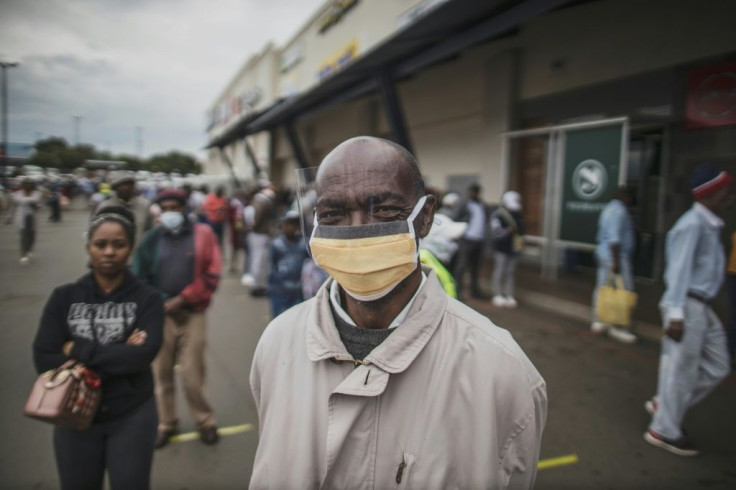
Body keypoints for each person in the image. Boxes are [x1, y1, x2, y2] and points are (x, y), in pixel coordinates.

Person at [249, 136, 547, 488]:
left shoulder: (502, 374)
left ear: (425, 218)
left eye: (385, 210)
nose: (358, 230)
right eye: (332, 214)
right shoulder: (278, 343)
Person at [32, 206, 164, 490]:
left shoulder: (148, 299)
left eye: (119, 244)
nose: (108, 252)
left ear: (130, 249)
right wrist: (119, 351)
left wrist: (74, 349)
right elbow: (44, 359)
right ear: (88, 247)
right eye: (100, 244)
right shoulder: (64, 297)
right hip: (72, 414)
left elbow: (141, 357)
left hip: (132, 414)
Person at [644, 163, 733, 456]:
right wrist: (676, 315)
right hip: (687, 306)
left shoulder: (708, 224)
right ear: (710, 193)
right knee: (680, 371)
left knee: (719, 365)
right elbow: (679, 273)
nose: (730, 197)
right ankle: (664, 430)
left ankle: (665, 404)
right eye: (725, 192)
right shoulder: (692, 225)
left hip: (701, 306)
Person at [132, 188, 222, 448]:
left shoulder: (203, 234)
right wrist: (162, 301)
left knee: (193, 376)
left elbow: (213, 273)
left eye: (176, 207)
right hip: (160, 316)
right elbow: (140, 277)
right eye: (166, 207)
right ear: (159, 210)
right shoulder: (150, 239)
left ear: (185, 208)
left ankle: (204, 420)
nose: (171, 212)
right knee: (161, 374)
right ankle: (166, 423)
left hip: (192, 313)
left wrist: (184, 298)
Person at [590, 187, 638, 343]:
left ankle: (600, 320)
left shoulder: (608, 209)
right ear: (624, 196)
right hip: (615, 256)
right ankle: (618, 325)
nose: (631, 200)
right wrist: (616, 260)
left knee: (603, 288)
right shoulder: (619, 210)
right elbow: (614, 238)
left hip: (605, 254)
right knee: (623, 290)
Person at [267, 210, 309, 317]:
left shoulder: (303, 245)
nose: (292, 227)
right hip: (280, 291)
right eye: (289, 223)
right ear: (283, 225)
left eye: (295, 224)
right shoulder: (277, 245)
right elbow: (271, 267)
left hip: (298, 291)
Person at [453, 182, 490, 299]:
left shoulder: (482, 205)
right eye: (473, 192)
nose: (474, 194)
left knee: (476, 267)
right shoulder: (464, 204)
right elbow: (456, 218)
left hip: (479, 240)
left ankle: (475, 291)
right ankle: (457, 292)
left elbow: (486, 220)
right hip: (467, 240)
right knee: (461, 267)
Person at [490, 190, 526, 308]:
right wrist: (508, 231)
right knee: (499, 271)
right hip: (501, 248)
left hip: (514, 249)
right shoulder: (497, 215)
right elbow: (496, 233)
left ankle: (509, 295)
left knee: (510, 272)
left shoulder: (518, 214)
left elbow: (522, 230)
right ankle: (497, 294)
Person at [96, 171, 152, 245]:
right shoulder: (105, 206)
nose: (127, 187)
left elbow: (150, 231)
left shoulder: (145, 205)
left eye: (130, 184)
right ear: (115, 187)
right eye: (123, 184)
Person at [242, 183, 276, 296]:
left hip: (258, 233)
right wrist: (255, 228)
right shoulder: (262, 201)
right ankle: (256, 284)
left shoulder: (260, 201)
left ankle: (257, 283)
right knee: (258, 258)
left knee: (258, 258)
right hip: (258, 234)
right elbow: (257, 218)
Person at [5, 177, 42, 265]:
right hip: (21, 217)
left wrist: (35, 205)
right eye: (26, 184)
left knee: (32, 236)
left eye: (30, 184)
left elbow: (39, 205)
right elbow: (12, 207)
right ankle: (23, 255)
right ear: (23, 185)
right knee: (23, 236)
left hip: (32, 217)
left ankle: (29, 249)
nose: (28, 186)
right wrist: (9, 217)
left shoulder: (36, 194)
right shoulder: (17, 195)